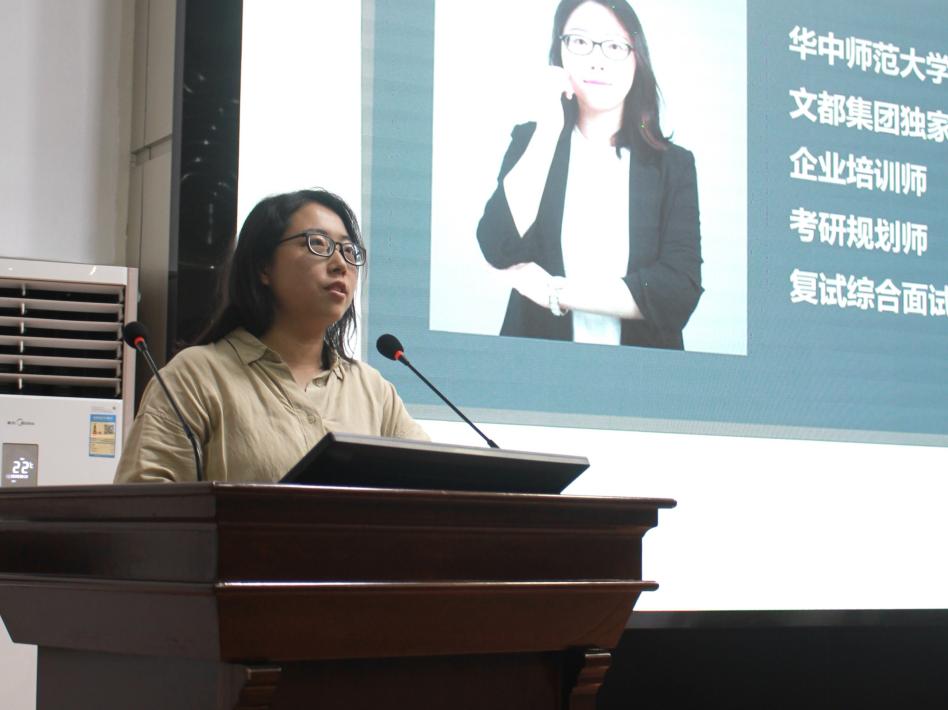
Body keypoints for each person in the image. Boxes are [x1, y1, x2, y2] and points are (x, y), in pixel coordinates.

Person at [115, 188, 429, 484]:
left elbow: (432, 483)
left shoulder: (372, 390)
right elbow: (144, 503)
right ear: (264, 266)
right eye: (318, 244)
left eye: (349, 251)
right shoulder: (195, 377)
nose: (340, 265)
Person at [477, 0, 702, 349]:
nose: (597, 60)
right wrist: (549, 128)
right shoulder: (531, 140)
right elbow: (498, 245)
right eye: (580, 41)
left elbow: (677, 291)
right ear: (560, 51)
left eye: (614, 46)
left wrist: (556, 293)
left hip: (643, 374)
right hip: (538, 369)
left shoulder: (672, 166)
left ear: (637, 58)